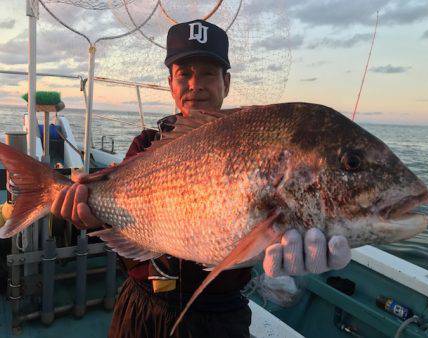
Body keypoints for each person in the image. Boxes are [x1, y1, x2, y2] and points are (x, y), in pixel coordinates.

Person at [51, 20, 351, 338]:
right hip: (141, 306)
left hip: (219, 315)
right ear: (171, 83)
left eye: (208, 73)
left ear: (227, 83)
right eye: (185, 74)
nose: (196, 84)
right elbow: (120, 222)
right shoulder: (145, 144)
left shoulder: (250, 141)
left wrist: (284, 250)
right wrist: (90, 219)